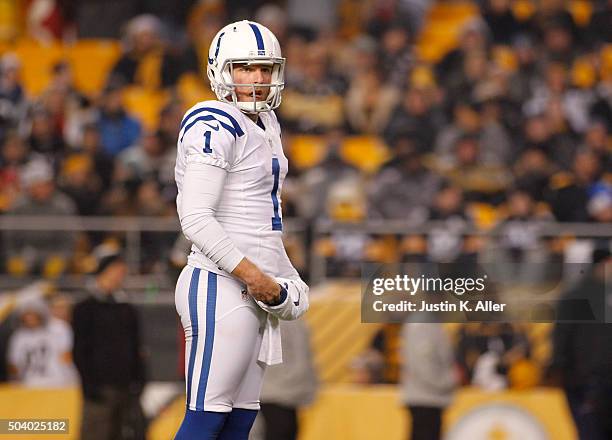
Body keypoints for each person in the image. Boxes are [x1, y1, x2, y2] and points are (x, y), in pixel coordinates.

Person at [173, 20, 309, 440]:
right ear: (220, 70)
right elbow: (195, 217)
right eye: (245, 68)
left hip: (251, 288)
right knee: (207, 416)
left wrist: (284, 278)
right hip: (220, 284)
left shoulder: (266, 124)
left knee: (240, 422)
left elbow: (263, 222)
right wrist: (256, 278)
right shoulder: (213, 119)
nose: (257, 78)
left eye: (264, 69)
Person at [72, 253, 146, 440]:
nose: (120, 275)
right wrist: (88, 384)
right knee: (96, 432)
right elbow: (80, 349)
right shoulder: (85, 308)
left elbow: (136, 347)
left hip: (126, 386)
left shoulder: (127, 309)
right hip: (100, 388)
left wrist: (139, 378)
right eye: (116, 270)